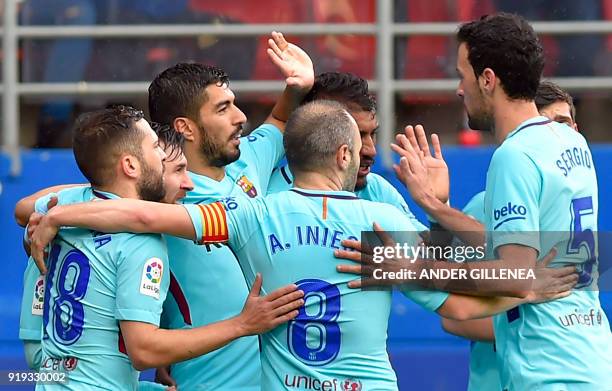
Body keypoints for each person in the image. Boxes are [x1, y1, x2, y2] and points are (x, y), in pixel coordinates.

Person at [28, 100, 573, 390]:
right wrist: (532, 284)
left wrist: (61, 213)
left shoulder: (249, 216)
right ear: (342, 156)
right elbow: (460, 301)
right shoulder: (384, 222)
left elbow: (144, 213)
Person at [348, 13, 611, 390]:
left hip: (551, 368)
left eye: (462, 75)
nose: (459, 89)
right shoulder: (572, 142)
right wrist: (437, 207)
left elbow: (517, 276)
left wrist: (413, 269)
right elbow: (525, 257)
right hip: (591, 356)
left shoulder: (515, 155)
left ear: (487, 79)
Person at [30, 106, 304, 390]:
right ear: (130, 166)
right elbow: (144, 350)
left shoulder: (65, 205)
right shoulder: (140, 243)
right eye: (154, 148)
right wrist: (243, 324)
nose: (163, 154)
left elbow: (25, 209)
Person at [144, 31, 315, 390]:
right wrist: (54, 212)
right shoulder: (161, 194)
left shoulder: (246, 162)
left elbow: (279, 122)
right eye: (223, 108)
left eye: (234, 103)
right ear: (184, 128)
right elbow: (95, 200)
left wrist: (298, 86)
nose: (240, 117)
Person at [441, 81, 580, 391]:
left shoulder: (577, 208)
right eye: (551, 123)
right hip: (498, 380)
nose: (561, 134)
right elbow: (453, 317)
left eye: (566, 123)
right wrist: (524, 317)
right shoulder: (481, 207)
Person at [267, 71, 429, 233]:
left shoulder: (376, 189)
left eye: (373, 134)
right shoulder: (268, 199)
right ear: (314, 131)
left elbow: (441, 254)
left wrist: (435, 205)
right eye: (356, 135)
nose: (371, 150)